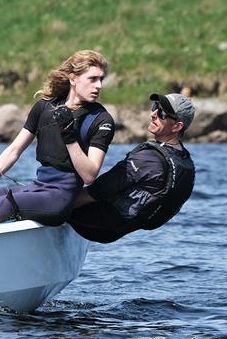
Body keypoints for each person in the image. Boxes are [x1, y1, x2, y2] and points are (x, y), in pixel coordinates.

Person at [0, 50, 115, 231]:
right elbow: (14, 151)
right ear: (73, 79)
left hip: (59, 198)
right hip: (38, 188)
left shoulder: (102, 120)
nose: (98, 86)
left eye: (101, 79)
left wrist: (69, 137)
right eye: (92, 79)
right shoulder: (44, 107)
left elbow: (90, 175)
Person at [67, 93, 196, 243]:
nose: (153, 114)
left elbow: (100, 189)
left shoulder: (149, 159)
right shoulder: (185, 162)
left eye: (162, 113)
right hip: (117, 230)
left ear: (177, 126)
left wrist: (62, 205)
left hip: (91, 223)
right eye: (155, 108)